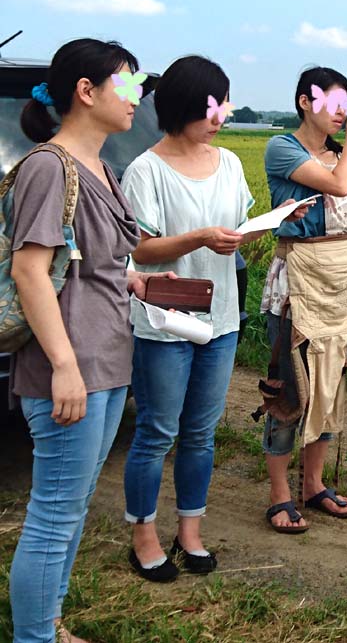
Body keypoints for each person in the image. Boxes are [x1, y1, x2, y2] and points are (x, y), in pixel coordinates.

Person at [120, 56, 309, 581]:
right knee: (157, 431)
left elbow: (234, 236)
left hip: (221, 317)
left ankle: (190, 531)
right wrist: (201, 236)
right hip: (164, 320)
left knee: (201, 433)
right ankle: (142, 535)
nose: (219, 114)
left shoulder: (227, 163)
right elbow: (141, 247)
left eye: (222, 103)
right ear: (181, 106)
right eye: (210, 104)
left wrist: (270, 223)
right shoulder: (146, 171)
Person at [8, 38, 169, 643]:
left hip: (105, 359)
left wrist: (135, 279)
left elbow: (88, 259)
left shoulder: (102, 167)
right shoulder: (51, 167)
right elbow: (30, 270)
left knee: (70, 511)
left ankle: (49, 622)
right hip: (69, 368)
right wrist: (63, 367)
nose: (136, 98)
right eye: (127, 85)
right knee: (53, 514)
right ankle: (35, 637)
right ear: (86, 91)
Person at [259, 66, 347, 533]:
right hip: (300, 280)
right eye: (335, 105)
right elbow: (339, 187)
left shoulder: (343, 156)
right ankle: (280, 495)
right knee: (292, 389)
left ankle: (313, 484)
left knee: (333, 383)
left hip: (342, 279)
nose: (344, 114)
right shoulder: (283, 148)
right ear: (306, 102)